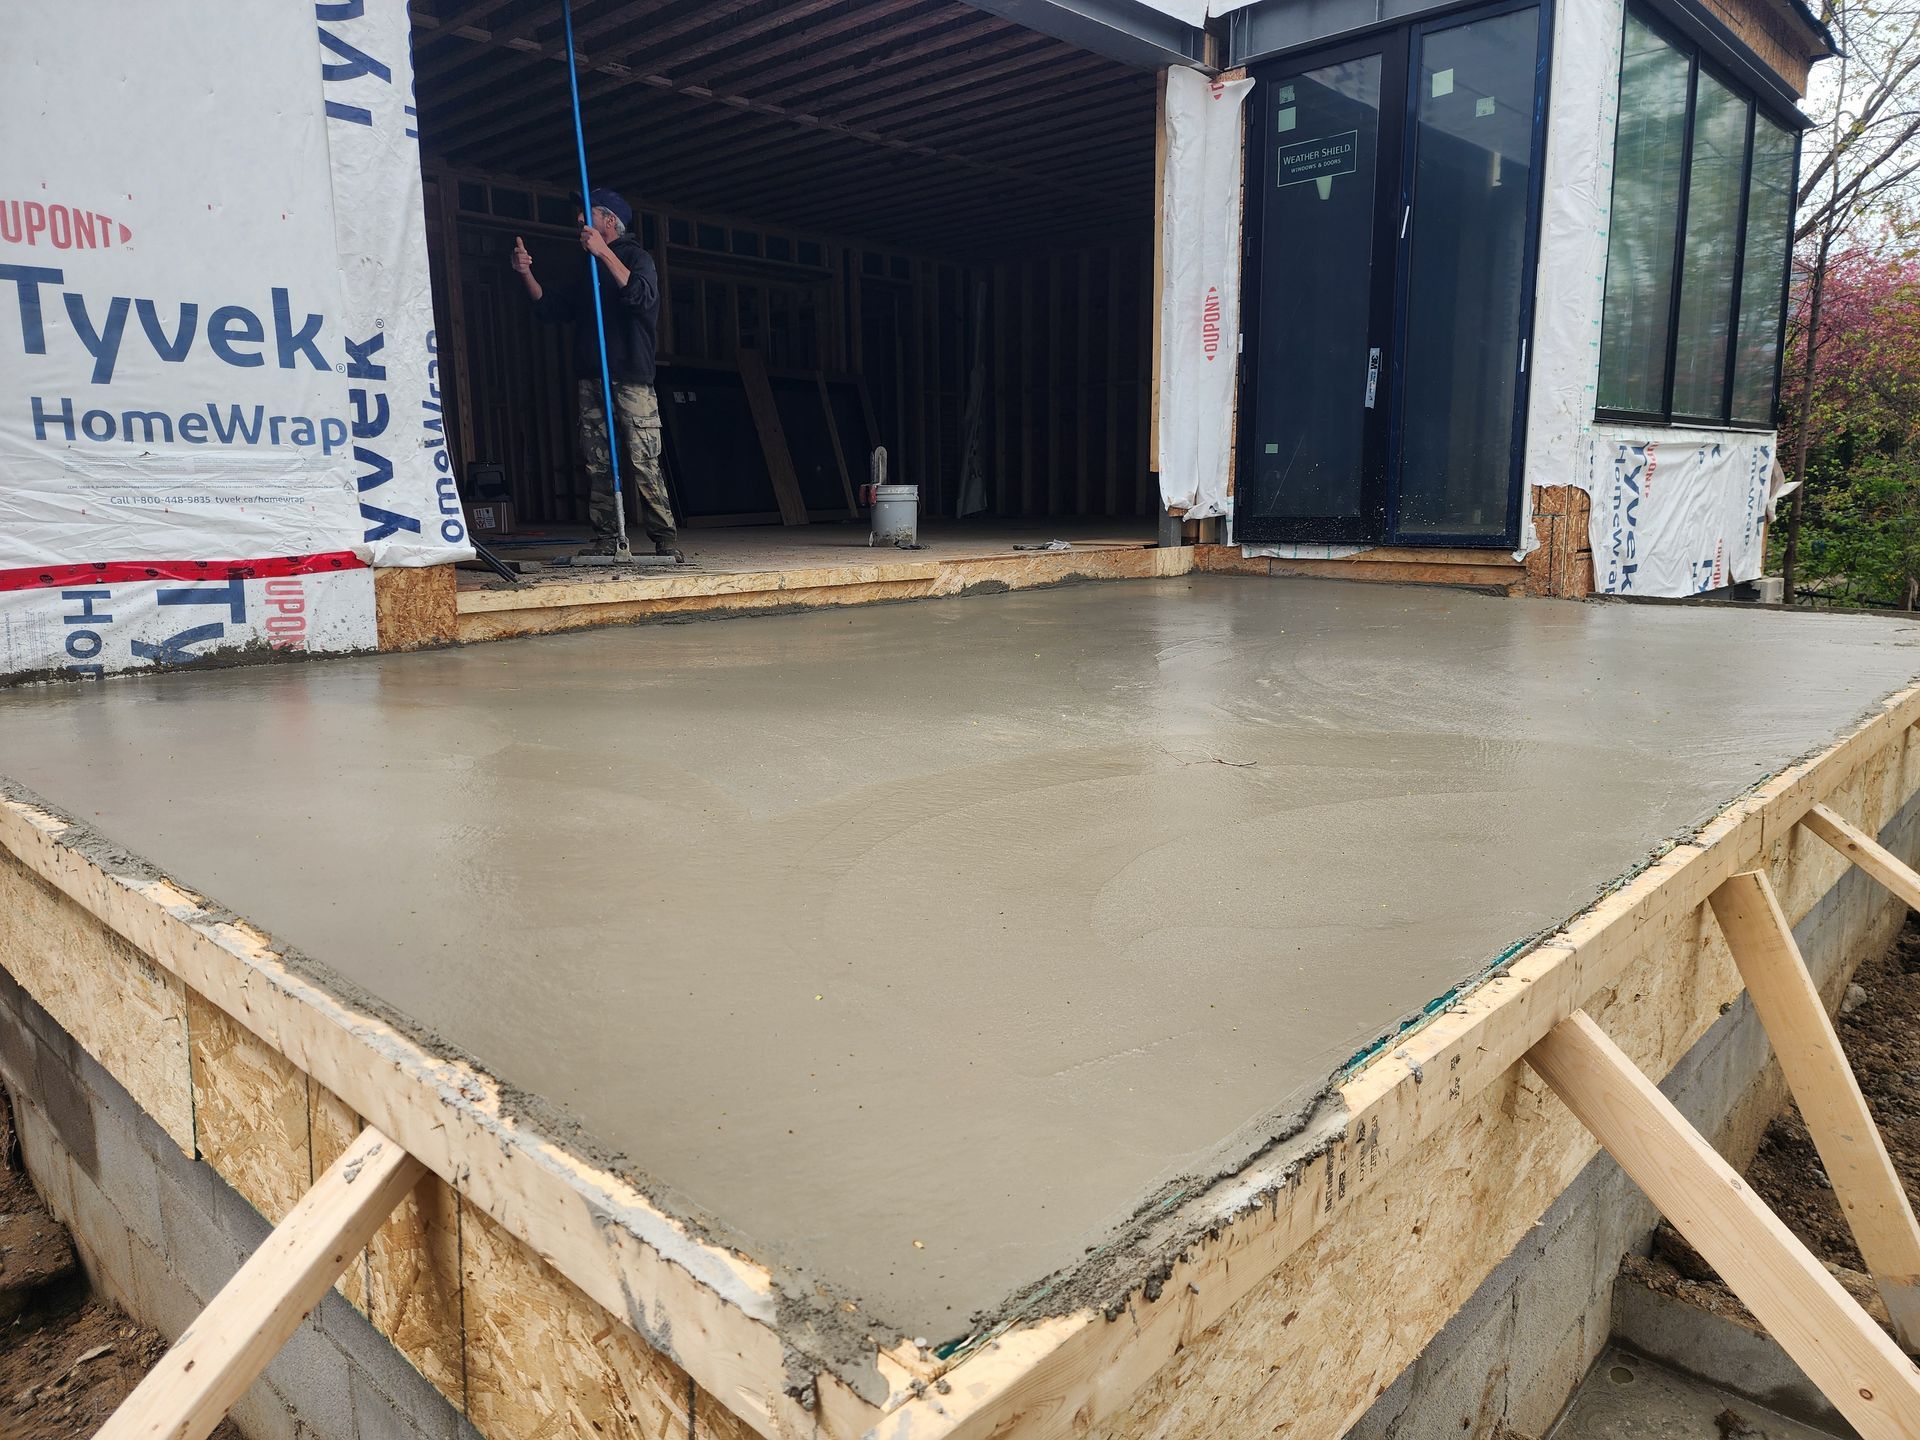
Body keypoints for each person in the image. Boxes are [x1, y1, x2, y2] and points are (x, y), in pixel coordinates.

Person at [511, 189, 677, 558]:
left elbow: (641, 298)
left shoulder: (637, 258)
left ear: (610, 221)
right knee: (598, 461)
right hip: (592, 378)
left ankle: (664, 537)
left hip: (631, 377)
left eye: (589, 213)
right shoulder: (585, 269)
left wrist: (604, 253)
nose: (580, 220)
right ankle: (606, 537)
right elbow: (551, 307)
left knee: (643, 458)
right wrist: (525, 274)